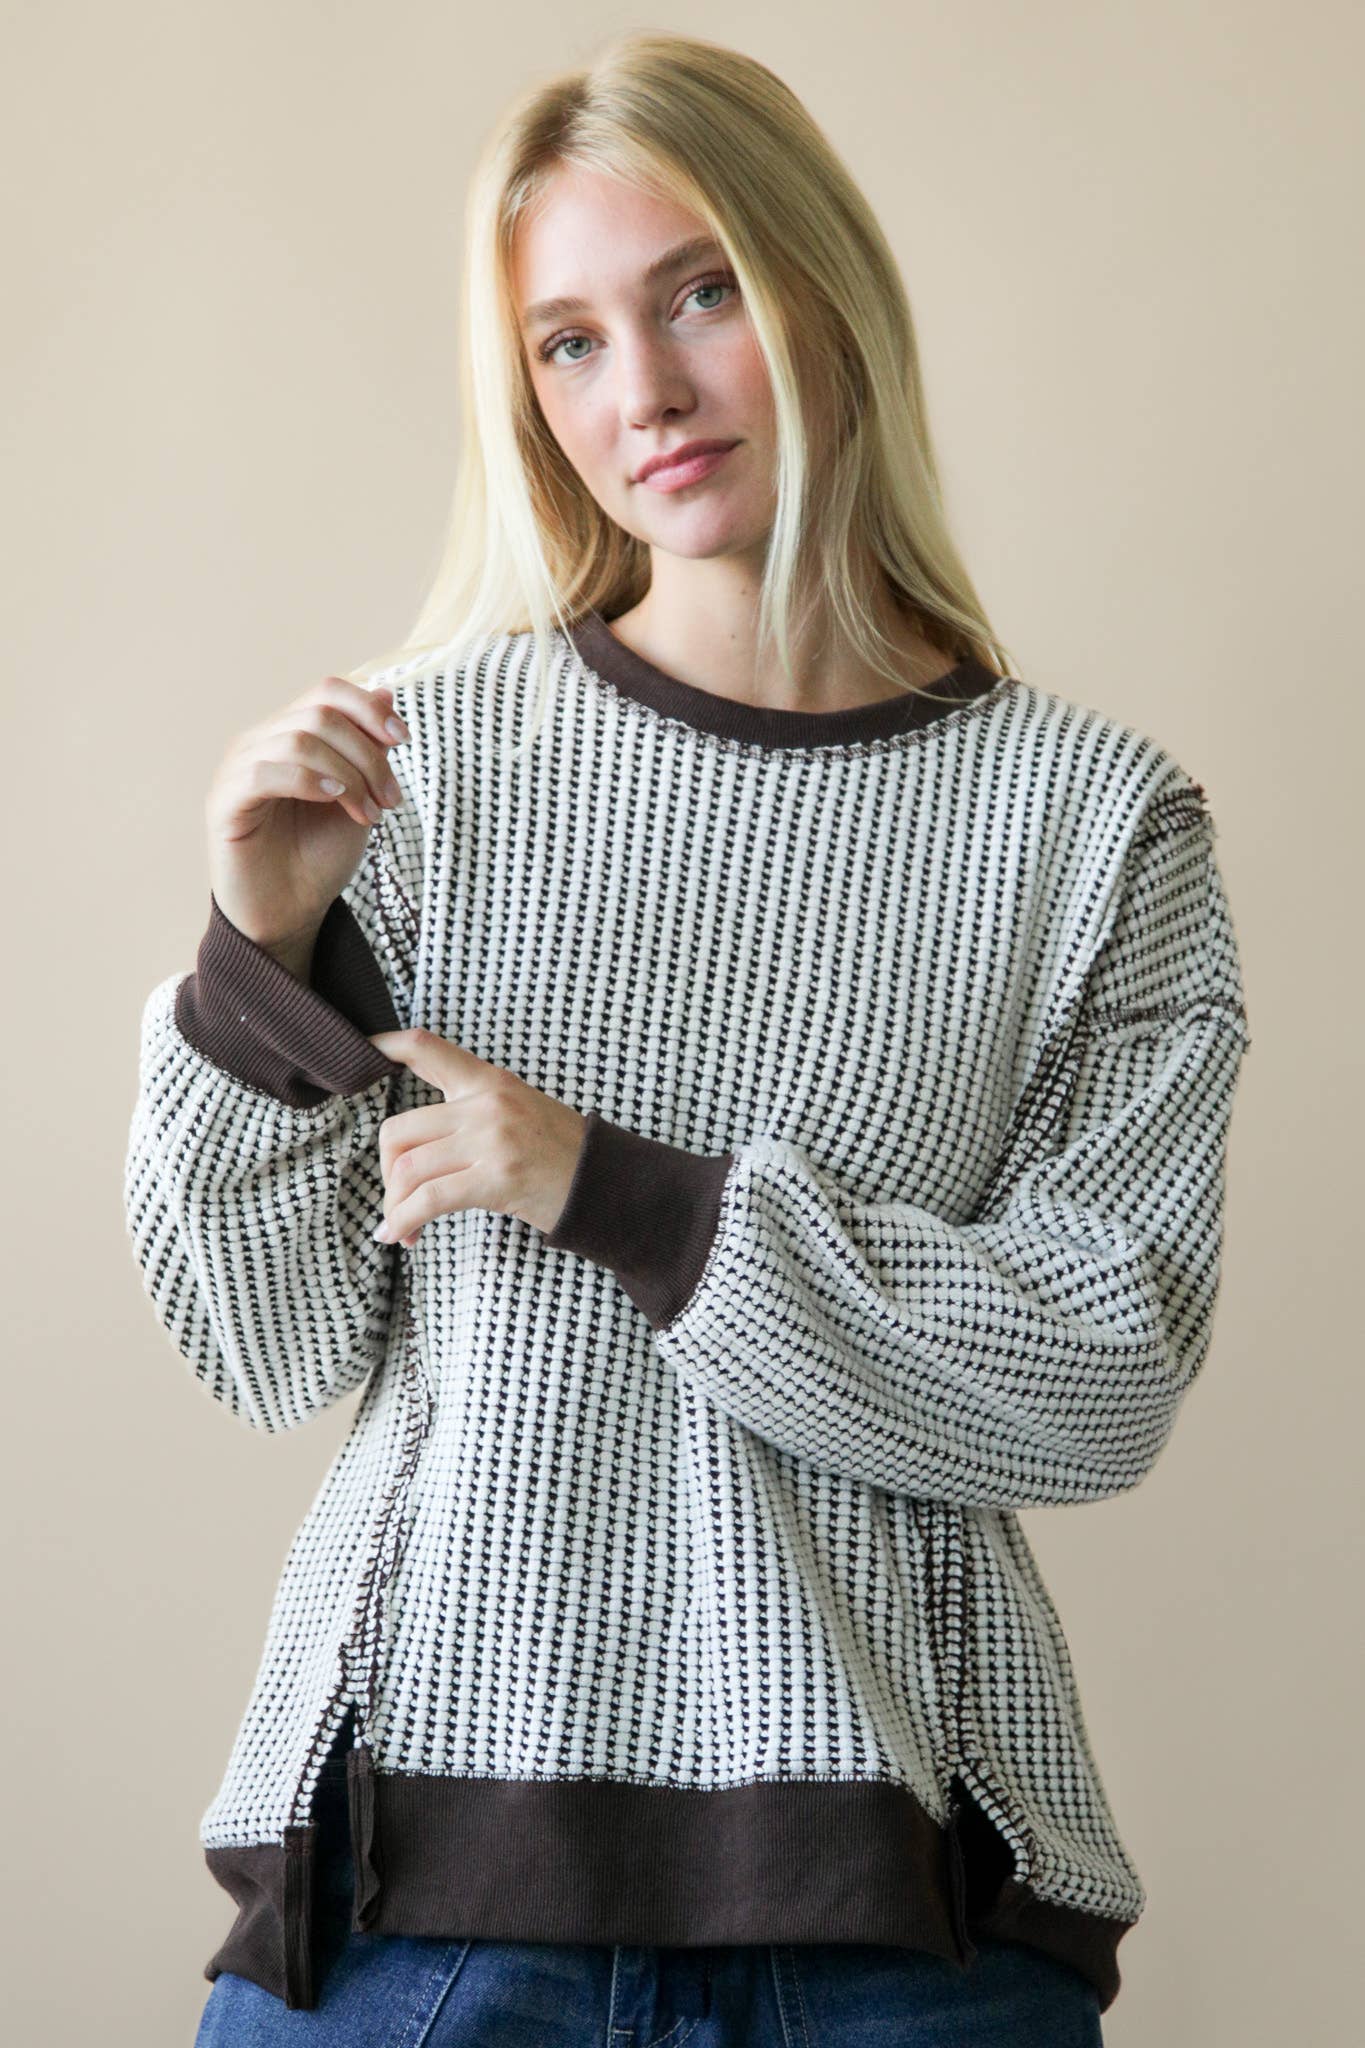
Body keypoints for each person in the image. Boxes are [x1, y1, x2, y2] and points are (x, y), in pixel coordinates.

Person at [124, 30, 1252, 2047]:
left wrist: (614, 1192)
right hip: (415, 1916)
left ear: (825, 287)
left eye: (698, 292)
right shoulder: (417, 773)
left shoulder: (1093, 826)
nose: (637, 389)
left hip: (898, 1930)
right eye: (566, 342)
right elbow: (259, 1342)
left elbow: (1097, 1376)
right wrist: (254, 953)